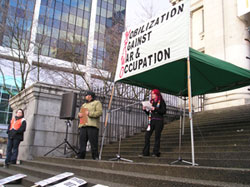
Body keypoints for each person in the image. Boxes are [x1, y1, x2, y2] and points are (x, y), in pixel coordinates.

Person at [77, 91, 103, 160]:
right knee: (82, 142)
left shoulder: (97, 103)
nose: (85, 97)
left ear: (90, 96)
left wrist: (89, 113)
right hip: (83, 125)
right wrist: (79, 115)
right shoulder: (84, 105)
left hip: (92, 125)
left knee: (93, 143)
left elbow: (99, 112)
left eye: (86, 95)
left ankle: (95, 157)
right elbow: (80, 113)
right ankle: (80, 156)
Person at [141, 89, 166, 157]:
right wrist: (145, 110)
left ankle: (156, 152)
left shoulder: (161, 102)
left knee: (157, 136)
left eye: (153, 94)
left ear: (157, 94)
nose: (152, 95)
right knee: (147, 136)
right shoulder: (151, 102)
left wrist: (155, 109)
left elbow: (163, 111)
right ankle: (146, 152)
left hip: (159, 121)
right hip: (151, 121)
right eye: (151, 94)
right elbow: (150, 113)